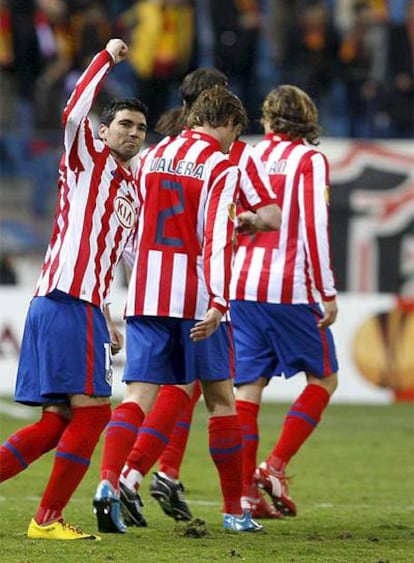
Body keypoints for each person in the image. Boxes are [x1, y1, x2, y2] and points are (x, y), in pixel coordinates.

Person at [93, 85, 264, 534]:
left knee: (136, 397)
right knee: (222, 401)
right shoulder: (220, 165)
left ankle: (107, 485)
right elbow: (217, 238)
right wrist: (221, 301)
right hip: (196, 299)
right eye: (234, 132)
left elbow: (130, 226)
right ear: (224, 122)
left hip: (148, 293)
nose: (234, 142)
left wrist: (134, 280)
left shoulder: (151, 154)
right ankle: (234, 512)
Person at [0, 38, 148, 541]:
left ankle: (47, 517)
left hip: (75, 306)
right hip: (66, 301)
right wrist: (105, 57)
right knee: (95, 415)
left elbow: (120, 258)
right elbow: (72, 110)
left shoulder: (132, 191)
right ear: (103, 130)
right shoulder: (87, 156)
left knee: (57, 422)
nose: (132, 133)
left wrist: (110, 317)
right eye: (123, 124)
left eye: (139, 128)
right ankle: (47, 519)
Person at [230, 84, 339, 517]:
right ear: (307, 119)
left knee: (248, 389)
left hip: (242, 287)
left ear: (269, 118)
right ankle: (273, 467)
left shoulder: (250, 156)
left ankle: (245, 495)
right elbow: (314, 227)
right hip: (287, 287)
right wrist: (326, 291)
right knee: (324, 379)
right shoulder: (310, 160)